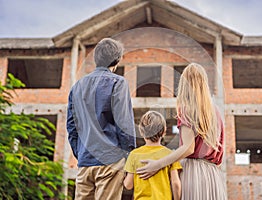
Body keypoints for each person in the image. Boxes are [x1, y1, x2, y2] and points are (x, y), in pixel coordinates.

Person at [136, 63, 226, 200]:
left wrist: (157, 164)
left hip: (193, 174)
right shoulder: (216, 111)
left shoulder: (187, 109)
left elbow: (188, 148)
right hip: (213, 175)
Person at [66, 38, 136, 200]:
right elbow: (124, 124)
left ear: (96, 59)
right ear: (117, 60)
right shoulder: (118, 82)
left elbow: (71, 126)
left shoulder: (77, 87)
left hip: (85, 162)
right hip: (110, 161)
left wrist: (81, 154)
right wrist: (129, 157)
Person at [123, 110, 182, 200]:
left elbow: (128, 185)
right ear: (164, 131)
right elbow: (175, 183)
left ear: (141, 132)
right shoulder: (170, 155)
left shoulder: (134, 155)